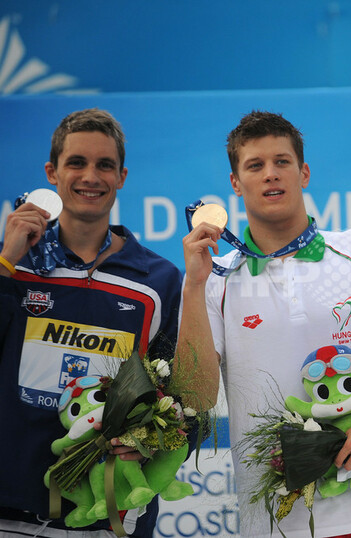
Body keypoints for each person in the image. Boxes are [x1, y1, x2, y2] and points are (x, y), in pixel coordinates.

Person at [178, 110, 351, 537]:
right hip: (274, 524)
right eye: (255, 166)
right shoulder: (214, 280)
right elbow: (195, 396)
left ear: (304, 173)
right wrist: (193, 285)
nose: (270, 174)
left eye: (282, 161)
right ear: (236, 184)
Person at [0, 108, 183, 536]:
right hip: (11, 508)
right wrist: (6, 262)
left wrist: (148, 445)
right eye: (76, 163)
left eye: (104, 165)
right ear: (52, 172)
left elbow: (181, 398)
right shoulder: (13, 263)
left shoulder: (159, 281)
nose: (90, 177)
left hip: (110, 513)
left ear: (121, 176)